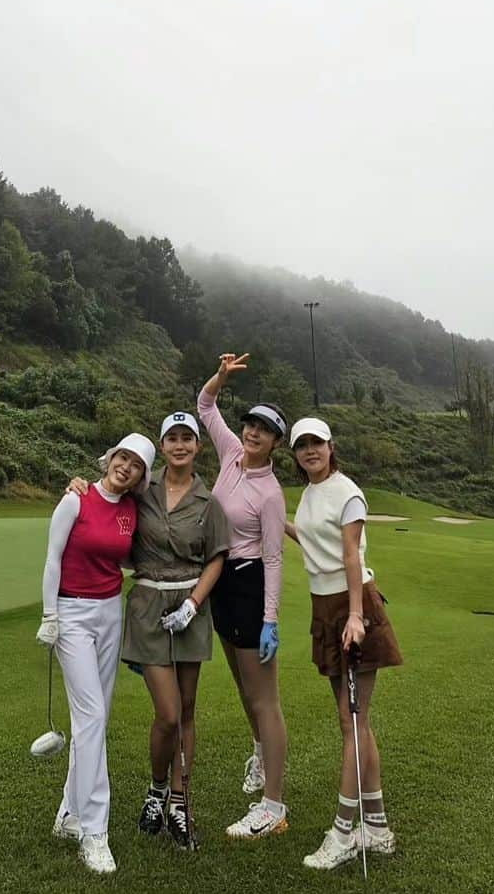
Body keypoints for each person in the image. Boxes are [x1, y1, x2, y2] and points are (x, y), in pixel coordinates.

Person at [67, 411, 230, 850]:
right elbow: (107, 495)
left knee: (189, 710)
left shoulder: (207, 500)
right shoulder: (143, 490)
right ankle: (158, 787)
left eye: (187, 439)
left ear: (197, 447)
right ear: (162, 446)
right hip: (148, 608)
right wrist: (79, 485)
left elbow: (217, 557)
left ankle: (179, 800)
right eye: (171, 438)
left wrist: (194, 604)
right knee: (169, 713)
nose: (179, 445)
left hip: (190, 607)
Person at [284, 416, 403, 871]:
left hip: (353, 606)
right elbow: (316, 543)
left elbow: (352, 554)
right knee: (355, 723)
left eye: (317, 443)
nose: (310, 451)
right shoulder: (312, 494)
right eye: (302, 446)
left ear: (332, 446)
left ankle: (344, 831)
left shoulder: (348, 492)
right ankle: (378, 828)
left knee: (352, 721)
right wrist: (281, 523)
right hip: (325, 606)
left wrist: (355, 615)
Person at [37, 433, 155, 876]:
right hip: (71, 614)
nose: (126, 466)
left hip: (110, 611)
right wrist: (50, 615)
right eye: (122, 457)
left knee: (97, 716)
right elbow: (52, 559)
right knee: (90, 717)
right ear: (110, 459)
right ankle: (94, 831)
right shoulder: (76, 499)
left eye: (136, 465)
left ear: (141, 476)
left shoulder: (131, 511)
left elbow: (124, 559)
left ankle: (69, 814)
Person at [197, 352, 290, 839]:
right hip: (223, 583)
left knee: (264, 698)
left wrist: (270, 619)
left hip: (251, 585)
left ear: (276, 443)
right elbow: (205, 406)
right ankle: (259, 753)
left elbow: (274, 558)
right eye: (250, 425)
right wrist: (221, 377)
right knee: (240, 685)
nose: (252, 433)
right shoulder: (232, 453)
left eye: (264, 430)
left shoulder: (271, 493)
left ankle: (273, 806)